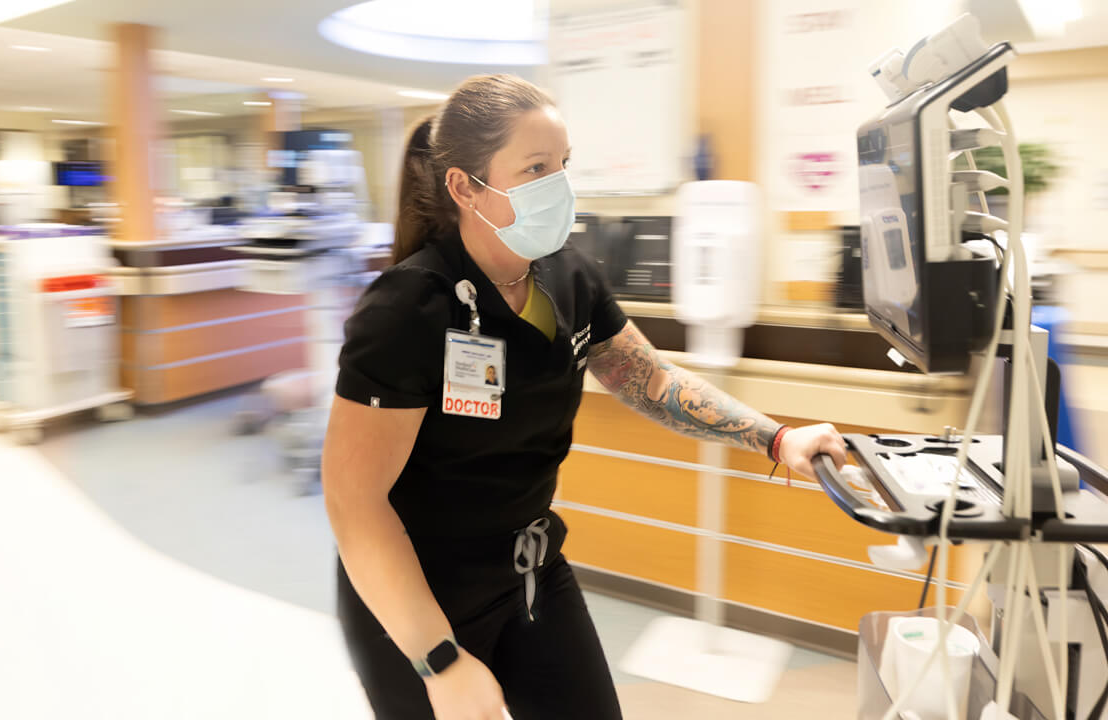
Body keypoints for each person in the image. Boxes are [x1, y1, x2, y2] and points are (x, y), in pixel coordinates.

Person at [323, 74, 847, 720]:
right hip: (415, 595)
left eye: (563, 165)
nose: (560, 186)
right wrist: (440, 659)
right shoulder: (407, 309)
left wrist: (775, 437)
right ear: (464, 186)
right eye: (536, 167)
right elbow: (355, 503)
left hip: (529, 572)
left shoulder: (568, 276)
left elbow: (652, 381)